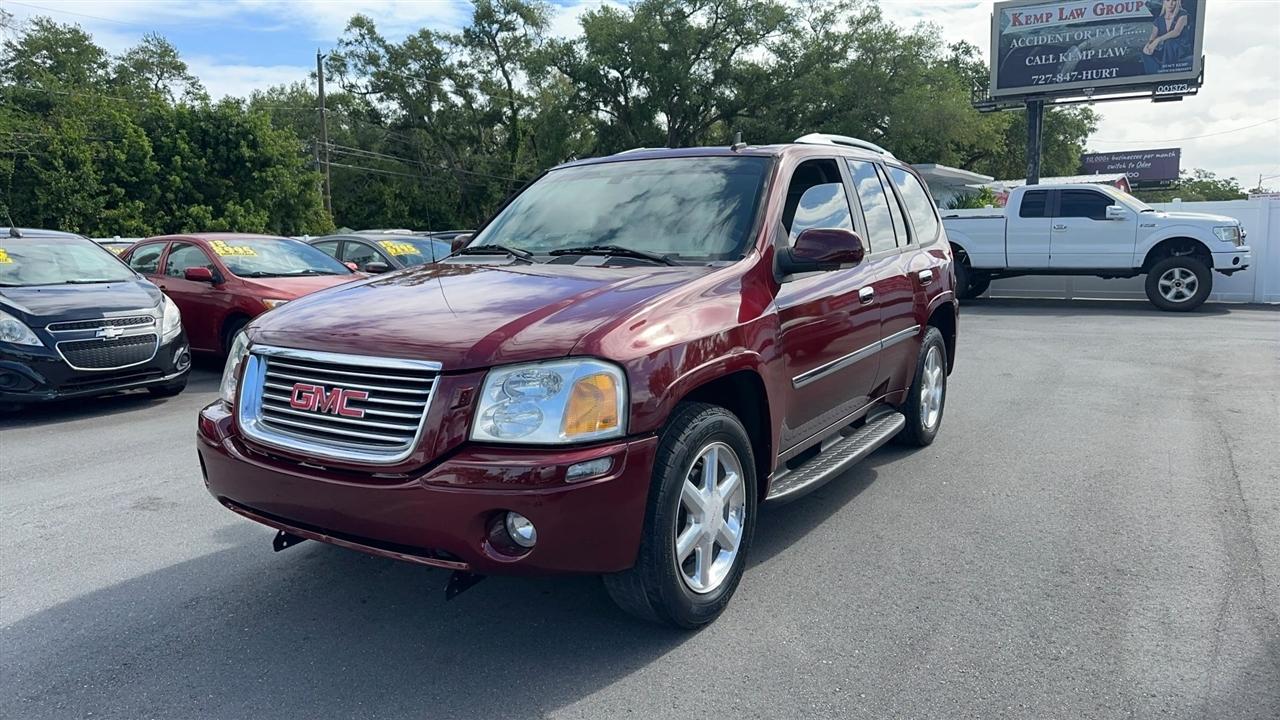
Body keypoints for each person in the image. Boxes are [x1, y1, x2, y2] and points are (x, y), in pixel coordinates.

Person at [1141, 0, 1192, 74]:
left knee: (1169, 42)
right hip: (1165, 50)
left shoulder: (1183, 15)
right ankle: (1153, 76)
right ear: (1164, 2)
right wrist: (1148, 46)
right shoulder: (1158, 20)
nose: (1170, 3)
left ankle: (1165, 72)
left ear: (1177, 2)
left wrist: (1158, 40)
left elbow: (1176, 32)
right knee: (1146, 52)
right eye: (1168, 0)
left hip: (1180, 48)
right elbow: (1152, 37)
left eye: (1174, 1)